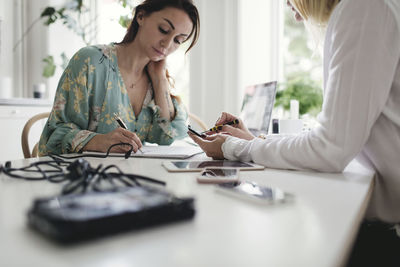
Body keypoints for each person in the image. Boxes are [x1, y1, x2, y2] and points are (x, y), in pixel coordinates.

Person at [189, 0, 400, 265]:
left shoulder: (363, 8)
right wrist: (254, 141)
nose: (286, 4)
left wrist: (233, 148)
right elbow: (339, 137)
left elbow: (330, 148)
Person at [39, 0, 200, 155]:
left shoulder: (154, 78)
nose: (167, 44)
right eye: (163, 29)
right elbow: (53, 139)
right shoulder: (90, 62)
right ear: (141, 17)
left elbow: (168, 136)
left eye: (178, 40)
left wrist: (159, 79)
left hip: (132, 177)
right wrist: (98, 141)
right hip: (81, 177)